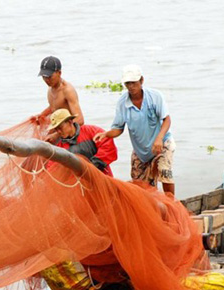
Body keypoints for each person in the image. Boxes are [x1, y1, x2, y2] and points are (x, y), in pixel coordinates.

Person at [94, 65, 176, 195]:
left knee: (164, 171)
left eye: (134, 82)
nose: (131, 87)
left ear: (141, 81)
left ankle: (172, 203)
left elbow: (167, 119)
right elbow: (118, 128)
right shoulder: (123, 103)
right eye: (128, 83)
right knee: (140, 186)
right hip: (141, 150)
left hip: (162, 142)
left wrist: (159, 138)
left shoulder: (155, 97)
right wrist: (106, 134)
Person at [46, 108, 117, 176]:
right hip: (77, 184)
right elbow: (51, 168)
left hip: (102, 177)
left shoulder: (92, 131)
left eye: (60, 127)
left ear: (70, 121)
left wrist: (93, 166)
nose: (58, 132)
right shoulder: (59, 148)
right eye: (56, 129)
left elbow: (108, 147)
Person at [35, 56, 84, 127]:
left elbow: (79, 120)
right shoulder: (50, 88)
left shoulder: (67, 90)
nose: (46, 80)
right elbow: (55, 106)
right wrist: (42, 115)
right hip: (60, 129)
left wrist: (56, 135)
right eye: (44, 76)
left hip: (71, 133)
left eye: (49, 76)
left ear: (59, 73)